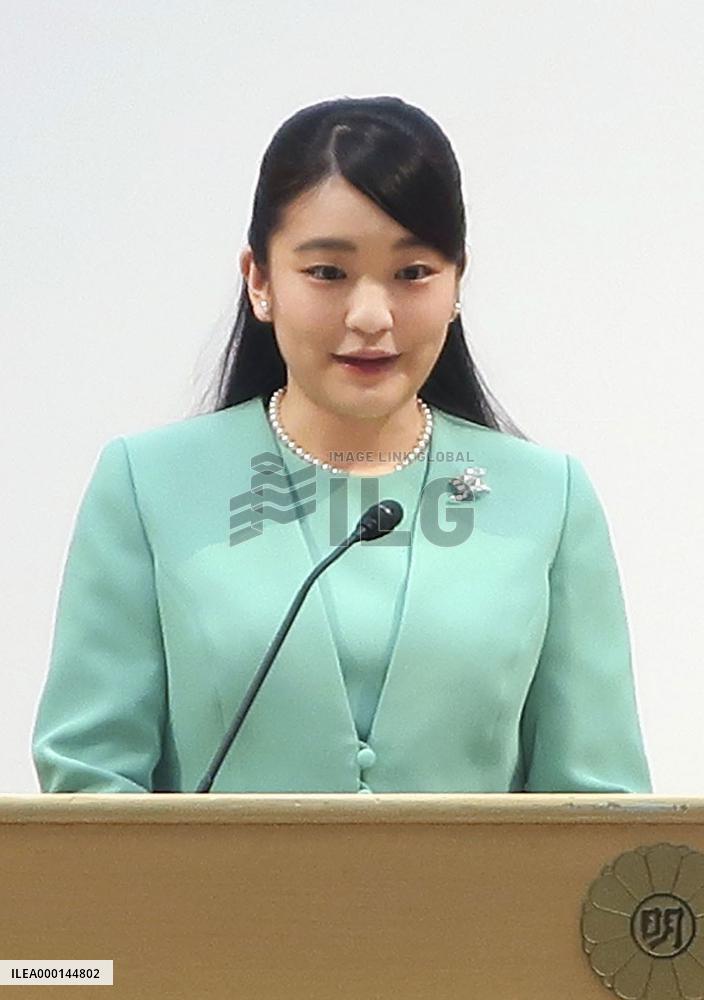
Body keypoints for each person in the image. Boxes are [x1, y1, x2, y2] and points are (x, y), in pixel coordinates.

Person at [31, 96, 652, 795]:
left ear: (456, 285)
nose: (370, 316)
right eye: (327, 273)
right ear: (260, 281)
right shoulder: (147, 486)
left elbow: (596, 806)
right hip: (213, 908)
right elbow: (90, 785)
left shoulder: (547, 499)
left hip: (477, 910)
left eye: (412, 272)